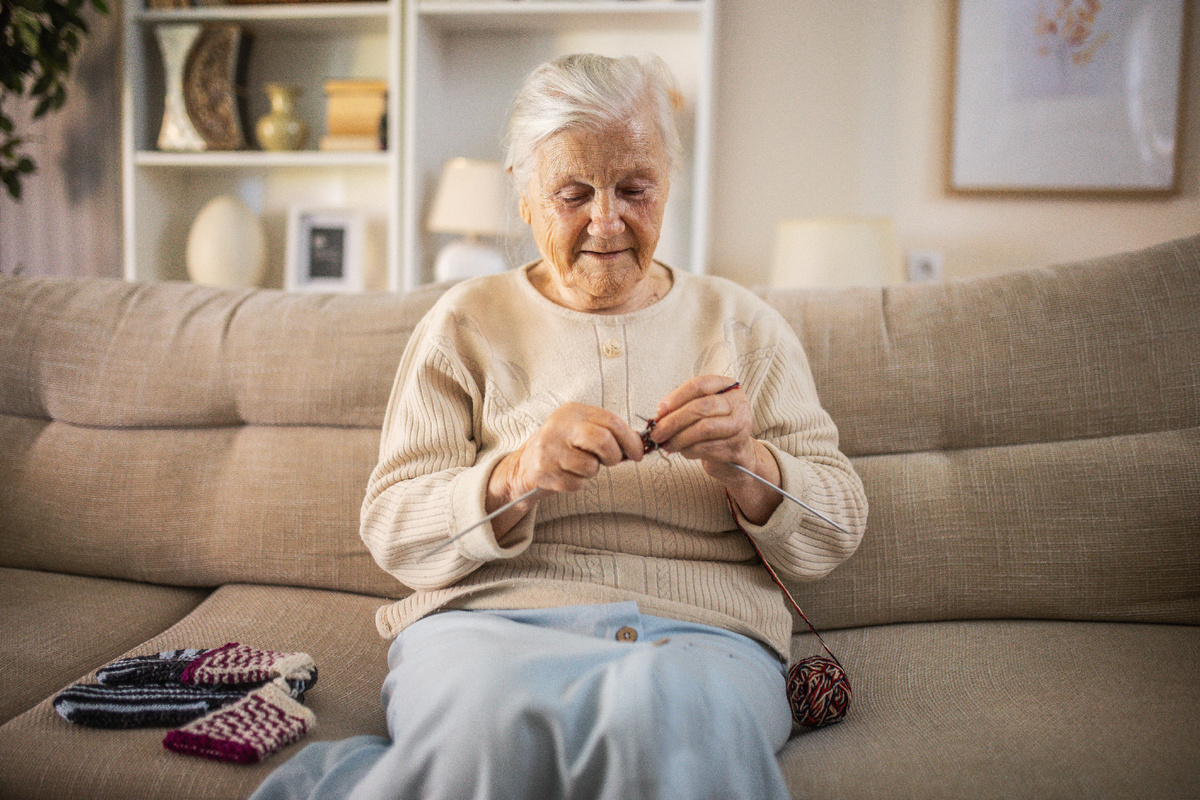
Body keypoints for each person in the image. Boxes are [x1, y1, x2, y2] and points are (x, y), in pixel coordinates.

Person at [250, 52, 866, 800]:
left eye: (634, 189)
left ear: (668, 181)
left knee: (673, 723)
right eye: (573, 193)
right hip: (489, 627)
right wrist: (512, 478)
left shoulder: (746, 327)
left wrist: (750, 464)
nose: (607, 220)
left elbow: (836, 528)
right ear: (523, 195)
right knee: (484, 728)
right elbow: (393, 532)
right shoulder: (464, 323)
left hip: (703, 635)